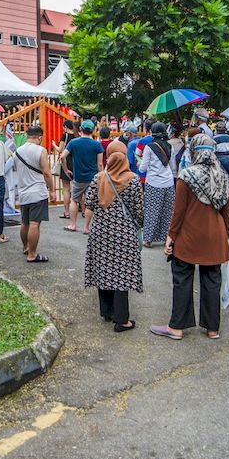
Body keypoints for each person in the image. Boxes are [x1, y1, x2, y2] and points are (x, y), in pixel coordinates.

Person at [151, 134, 229, 341]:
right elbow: (226, 212)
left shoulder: (187, 176)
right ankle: (212, 328)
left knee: (182, 278)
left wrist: (171, 236)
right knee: (212, 280)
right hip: (216, 234)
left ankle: (177, 327)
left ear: (194, 150)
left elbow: (178, 212)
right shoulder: (223, 177)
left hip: (189, 234)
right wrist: (226, 236)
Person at [83, 140, 143, 332]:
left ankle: (107, 311)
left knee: (104, 269)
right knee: (121, 274)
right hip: (124, 234)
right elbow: (139, 211)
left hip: (100, 232)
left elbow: (89, 203)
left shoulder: (98, 178)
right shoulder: (133, 180)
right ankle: (121, 319)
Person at [15, 125, 57, 262]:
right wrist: (52, 190)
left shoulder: (18, 151)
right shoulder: (41, 150)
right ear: (40, 137)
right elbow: (46, 172)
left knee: (24, 222)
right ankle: (32, 254)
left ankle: (26, 247)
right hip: (37, 192)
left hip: (23, 191)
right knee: (34, 224)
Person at [61, 120, 105, 233]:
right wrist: (102, 176)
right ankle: (86, 228)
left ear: (81, 129)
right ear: (93, 130)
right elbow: (100, 164)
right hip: (92, 177)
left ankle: (73, 224)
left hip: (78, 177)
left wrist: (66, 170)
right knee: (90, 203)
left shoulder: (74, 143)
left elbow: (62, 156)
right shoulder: (97, 144)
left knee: (74, 200)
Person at [139, 122, 175, 248]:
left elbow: (143, 169)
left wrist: (139, 165)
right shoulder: (170, 146)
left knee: (151, 211)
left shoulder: (149, 147)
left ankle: (148, 239)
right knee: (167, 211)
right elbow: (173, 167)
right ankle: (166, 238)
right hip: (169, 182)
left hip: (154, 182)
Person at [55, 119, 77, 219]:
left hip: (66, 162)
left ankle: (67, 212)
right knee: (78, 188)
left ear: (65, 127)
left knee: (66, 189)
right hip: (76, 162)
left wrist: (54, 145)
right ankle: (84, 210)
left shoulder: (65, 136)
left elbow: (60, 149)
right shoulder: (77, 136)